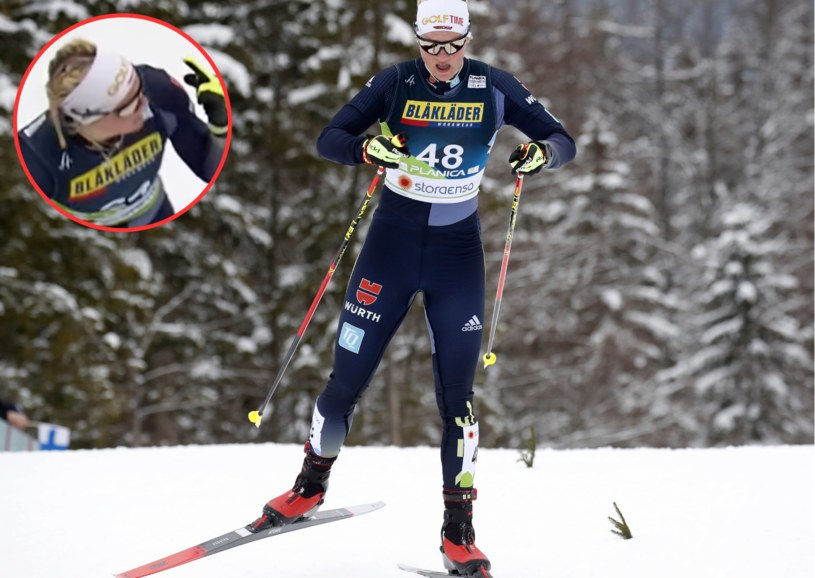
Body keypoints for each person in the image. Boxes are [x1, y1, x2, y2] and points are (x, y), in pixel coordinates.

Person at [247, 1, 575, 576]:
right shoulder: (395, 82)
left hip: (456, 258)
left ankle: (459, 532)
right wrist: (364, 147)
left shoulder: (493, 86)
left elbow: (561, 138)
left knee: (458, 398)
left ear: (467, 40)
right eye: (432, 46)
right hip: (390, 250)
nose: (443, 59)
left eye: (454, 46)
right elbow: (331, 136)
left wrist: (540, 154)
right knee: (345, 376)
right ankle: (309, 486)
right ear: (419, 40)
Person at [17, 38, 227, 228]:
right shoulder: (36, 158)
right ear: (83, 118)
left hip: (154, 214)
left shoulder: (158, 91)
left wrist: (221, 127)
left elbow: (210, 168)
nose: (143, 105)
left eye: (140, 90)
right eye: (127, 107)